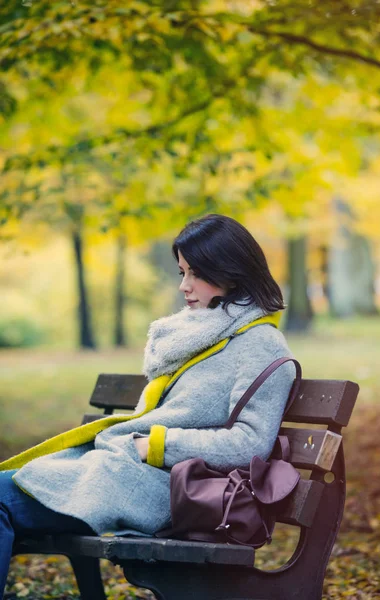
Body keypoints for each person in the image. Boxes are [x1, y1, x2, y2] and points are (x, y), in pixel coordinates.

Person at [0, 213, 296, 598]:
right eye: (181, 273)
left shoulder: (259, 346)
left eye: (195, 273)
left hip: (164, 488)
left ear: (232, 271)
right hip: (122, 471)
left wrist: (154, 445)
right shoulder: (203, 334)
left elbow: (249, 445)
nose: (184, 287)